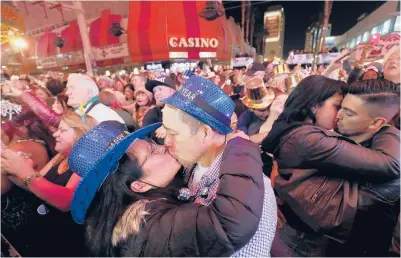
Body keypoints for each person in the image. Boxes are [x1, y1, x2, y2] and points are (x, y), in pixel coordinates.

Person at [67, 121, 264, 256]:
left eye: (153, 143)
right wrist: (240, 147)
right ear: (138, 184)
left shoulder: (142, 203)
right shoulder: (145, 226)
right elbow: (229, 224)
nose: (165, 146)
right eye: (152, 151)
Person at [261, 76, 399, 256]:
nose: (339, 115)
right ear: (314, 105)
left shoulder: (310, 134)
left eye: (348, 112)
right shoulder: (308, 138)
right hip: (302, 243)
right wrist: (389, 130)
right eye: (338, 107)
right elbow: (390, 165)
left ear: (375, 123)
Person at [161, 74, 277, 256]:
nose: (166, 142)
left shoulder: (250, 192)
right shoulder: (189, 166)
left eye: (172, 133)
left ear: (205, 133)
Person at [1, 111, 97, 257]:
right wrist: (11, 169)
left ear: (80, 133)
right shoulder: (62, 155)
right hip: (43, 229)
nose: (55, 134)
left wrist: (25, 171)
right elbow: (35, 186)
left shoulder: (87, 161)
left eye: (62, 130)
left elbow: (67, 201)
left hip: (63, 237)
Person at [142, 76, 176, 144]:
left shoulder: (186, 111)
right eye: (155, 91)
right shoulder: (152, 114)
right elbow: (143, 138)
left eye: (160, 89)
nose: (157, 94)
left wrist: (169, 128)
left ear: (173, 91)